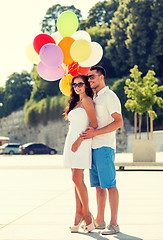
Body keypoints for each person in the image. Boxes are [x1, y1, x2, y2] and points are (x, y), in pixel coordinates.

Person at [80, 66, 123, 235]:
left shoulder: (109, 96)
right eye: (88, 77)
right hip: (93, 147)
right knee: (98, 187)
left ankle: (114, 224)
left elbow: (118, 122)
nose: (89, 79)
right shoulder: (95, 97)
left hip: (104, 147)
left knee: (110, 185)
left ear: (102, 77)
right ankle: (100, 221)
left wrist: (95, 133)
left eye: (92, 76)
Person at [63, 74, 98, 233]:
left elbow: (94, 124)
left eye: (80, 84)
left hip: (81, 143)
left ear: (86, 85)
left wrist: (78, 141)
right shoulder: (76, 102)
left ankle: (88, 216)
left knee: (76, 178)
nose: (77, 87)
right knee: (76, 181)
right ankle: (78, 216)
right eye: (75, 85)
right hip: (71, 141)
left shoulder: (87, 101)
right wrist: (73, 141)